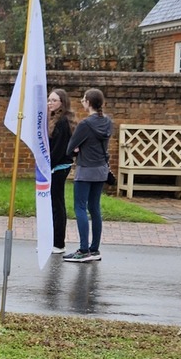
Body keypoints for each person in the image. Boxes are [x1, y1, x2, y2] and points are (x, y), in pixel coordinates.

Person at [68, 88, 112, 261]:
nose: (82, 102)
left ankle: (83, 250)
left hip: (85, 169)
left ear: (88, 102)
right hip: (101, 170)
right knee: (95, 208)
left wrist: (78, 149)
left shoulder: (85, 124)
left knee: (80, 207)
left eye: (83, 99)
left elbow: (70, 147)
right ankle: (94, 249)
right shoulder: (108, 122)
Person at [47, 88, 74, 258]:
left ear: (62, 103)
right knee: (52, 204)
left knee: (57, 204)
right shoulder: (53, 119)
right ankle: (53, 241)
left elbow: (59, 149)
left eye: (54, 100)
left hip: (59, 167)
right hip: (54, 166)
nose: (50, 103)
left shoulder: (63, 122)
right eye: (49, 100)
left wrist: (48, 164)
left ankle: (59, 243)